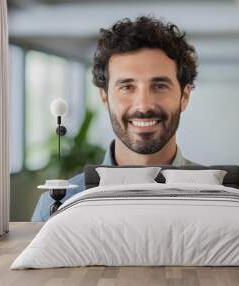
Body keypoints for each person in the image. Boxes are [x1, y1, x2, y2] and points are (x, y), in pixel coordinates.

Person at [31, 16, 199, 222]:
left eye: (159, 86)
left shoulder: (230, 198)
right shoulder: (56, 206)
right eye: (127, 87)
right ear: (104, 97)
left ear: (185, 97)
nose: (144, 105)